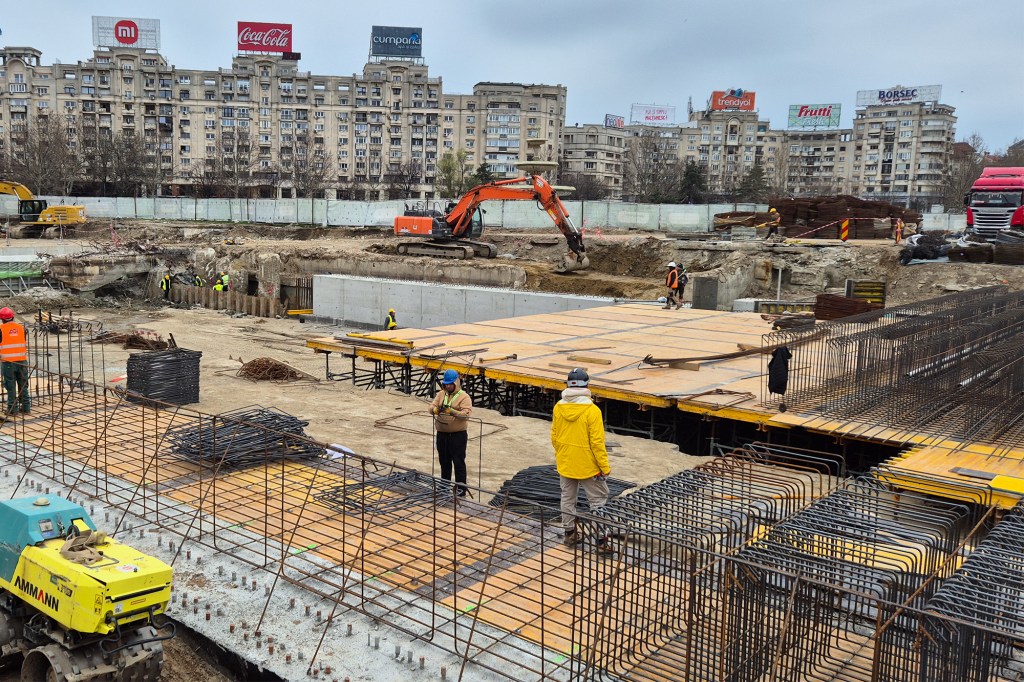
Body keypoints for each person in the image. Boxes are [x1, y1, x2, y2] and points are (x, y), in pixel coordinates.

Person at [551, 368, 612, 553]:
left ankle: (570, 533)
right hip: (588, 466)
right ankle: (602, 542)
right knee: (598, 501)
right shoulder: (592, 410)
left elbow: (554, 436)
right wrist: (604, 467)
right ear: (587, 385)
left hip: (566, 462)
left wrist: (563, 453)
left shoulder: (558, 407)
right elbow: (597, 443)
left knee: (567, 498)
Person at [430, 369, 473, 497]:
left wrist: (452, 412)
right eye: (446, 384)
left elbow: (466, 414)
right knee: (444, 462)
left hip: (457, 436)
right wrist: (436, 410)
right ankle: (444, 488)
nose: (448, 386)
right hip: (442, 435)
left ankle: (460, 491)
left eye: (450, 384)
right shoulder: (441, 394)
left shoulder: (464, 397)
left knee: (458, 463)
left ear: (456, 382)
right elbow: (430, 407)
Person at [0, 307, 30, 416]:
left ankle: (12, 409)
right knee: (23, 385)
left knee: (10, 385)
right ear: (12, 317)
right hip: (22, 361)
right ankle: (26, 407)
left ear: (2, 319)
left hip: (8, 363)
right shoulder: (21, 328)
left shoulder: (1, 329)